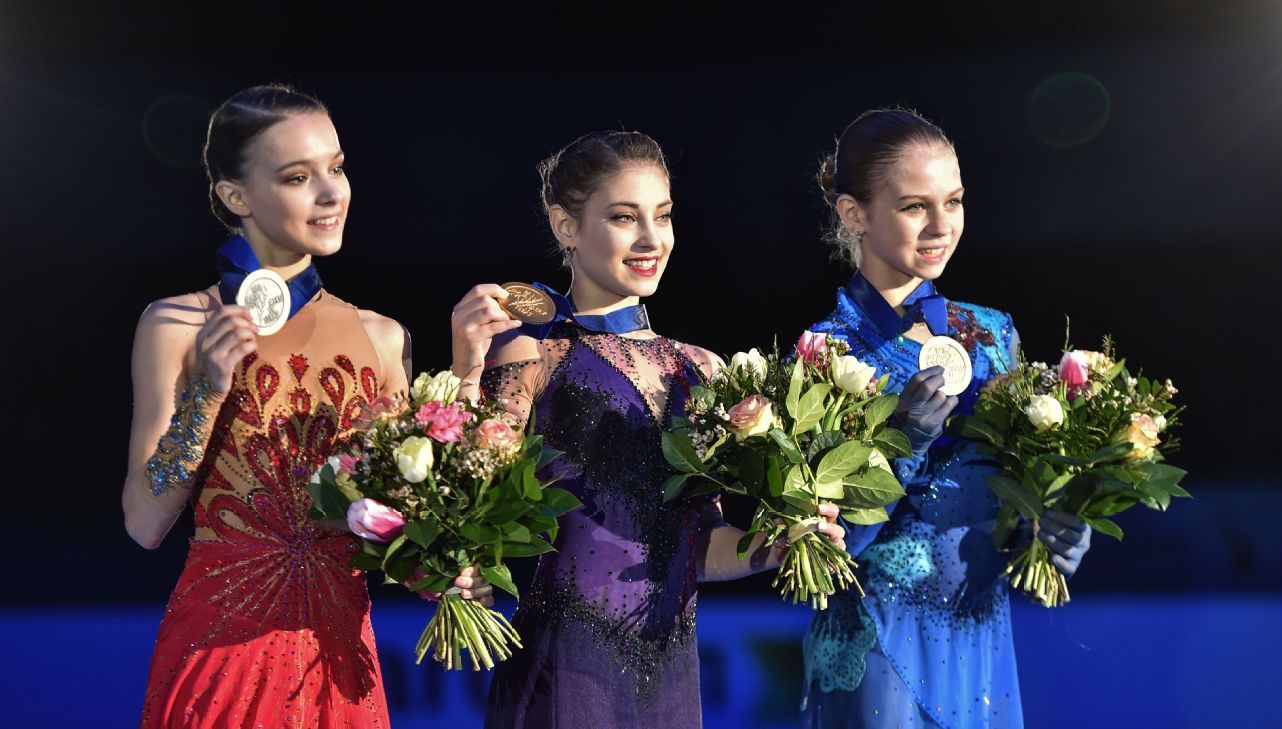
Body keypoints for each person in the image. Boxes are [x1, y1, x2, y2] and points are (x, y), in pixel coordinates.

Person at [447, 131, 846, 729]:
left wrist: (784, 542)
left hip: (669, 671)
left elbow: (698, 547)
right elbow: (468, 498)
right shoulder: (534, 353)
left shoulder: (702, 368)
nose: (650, 239)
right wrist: (466, 367)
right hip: (564, 667)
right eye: (623, 218)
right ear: (565, 227)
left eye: (662, 216)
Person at [121, 84, 488, 727]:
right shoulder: (179, 324)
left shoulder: (381, 337)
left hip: (339, 666)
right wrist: (207, 389)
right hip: (220, 658)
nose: (331, 193)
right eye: (298, 176)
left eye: (337, 168)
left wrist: (451, 574)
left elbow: (393, 534)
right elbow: (144, 522)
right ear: (236, 196)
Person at [799, 109, 1092, 729]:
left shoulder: (992, 334)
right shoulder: (825, 353)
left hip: (980, 640)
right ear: (854, 214)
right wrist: (901, 445)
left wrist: (1047, 530)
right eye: (913, 207)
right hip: (879, 642)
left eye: (953, 201)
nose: (941, 226)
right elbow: (828, 547)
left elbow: (1008, 499)